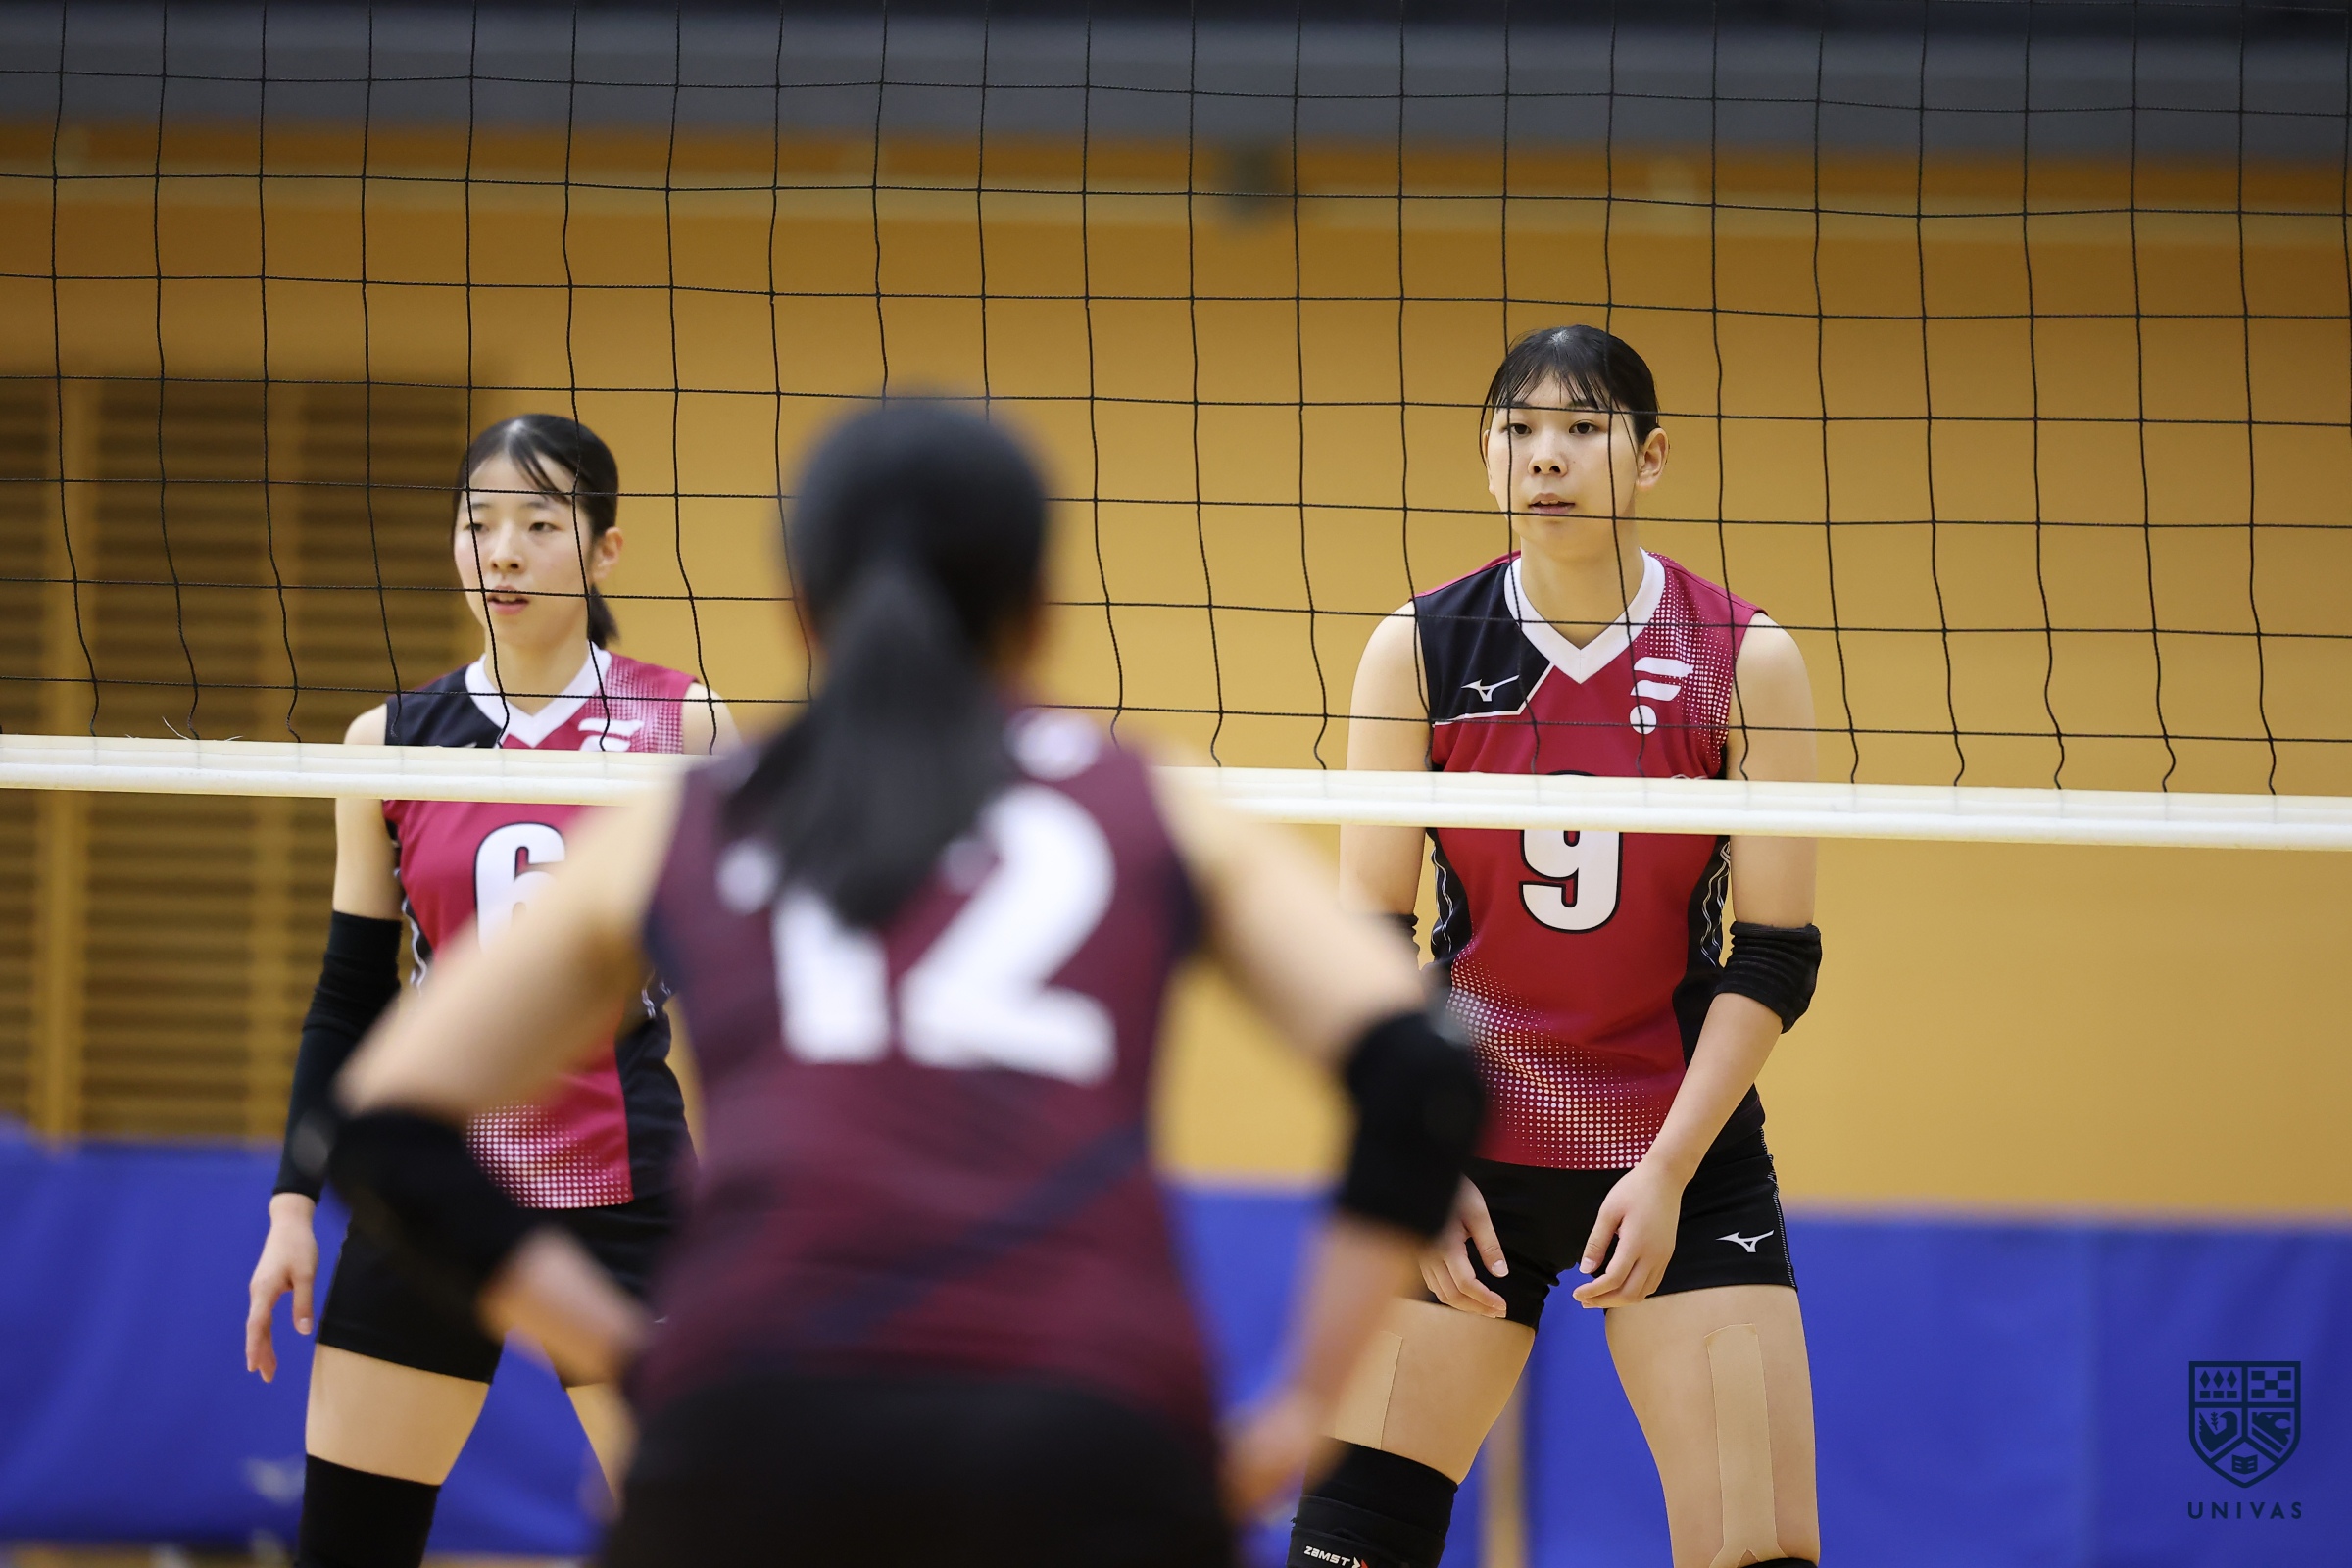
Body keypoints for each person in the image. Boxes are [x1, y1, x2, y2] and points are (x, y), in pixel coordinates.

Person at [310, 400, 1486, 1568]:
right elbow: (1424, 1073)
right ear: (1039, 607)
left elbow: (379, 1119)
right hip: (1088, 1424)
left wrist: (630, 1351)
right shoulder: (1146, 800)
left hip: (754, 1417)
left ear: (798, 602)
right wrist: (1298, 1407)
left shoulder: (692, 814)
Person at [1287, 325, 1824, 1568]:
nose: (1548, 456)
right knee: (1348, 1547)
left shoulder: (1745, 656)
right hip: (1466, 1142)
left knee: (1762, 1555)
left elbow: (1774, 953)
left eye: (1584, 427)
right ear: (1488, 456)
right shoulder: (1420, 645)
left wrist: (1671, 1171)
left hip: (1679, 1150)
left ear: (1652, 455)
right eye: (1520, 429)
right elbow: (1366, 937)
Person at [243, 414, 737, 1568]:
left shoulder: (683, 725)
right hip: (433, 1179)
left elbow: (743, 979)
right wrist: (291, 1206)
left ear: (605, 549)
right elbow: (350, 993)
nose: (503, 551)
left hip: (625, 1180)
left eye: (539, 523)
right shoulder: (392, 739)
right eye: (479, 523)